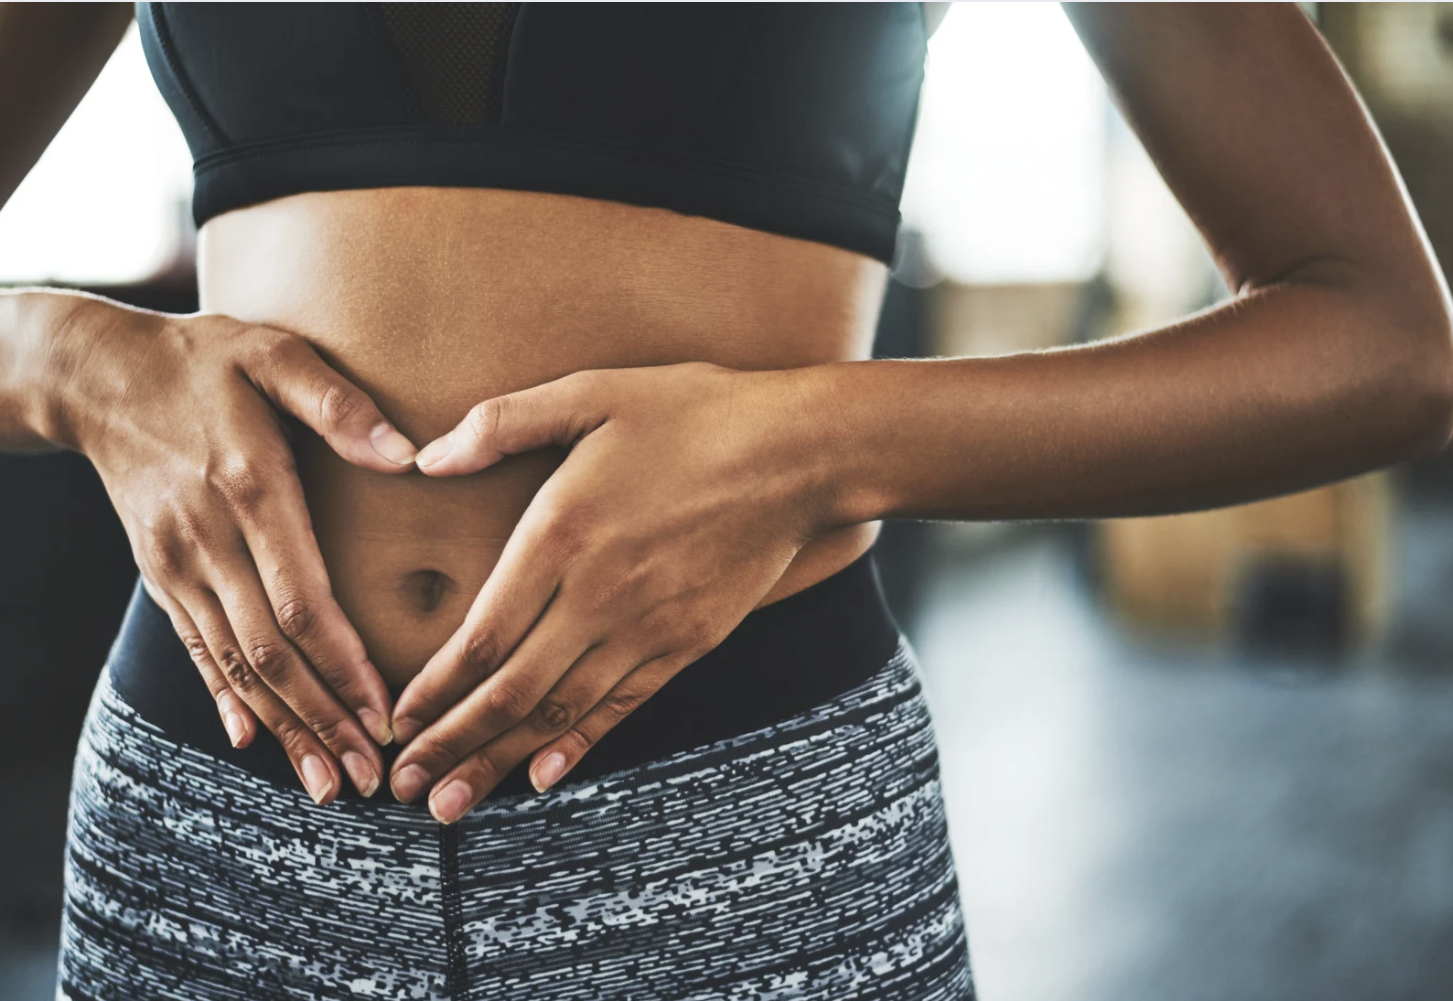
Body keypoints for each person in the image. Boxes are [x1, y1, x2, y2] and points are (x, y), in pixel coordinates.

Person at [3, 2, 1449, 999]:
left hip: (744, 814)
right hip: (216, 819)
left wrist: (817, 442)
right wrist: (68, 358)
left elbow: (1382, 337)